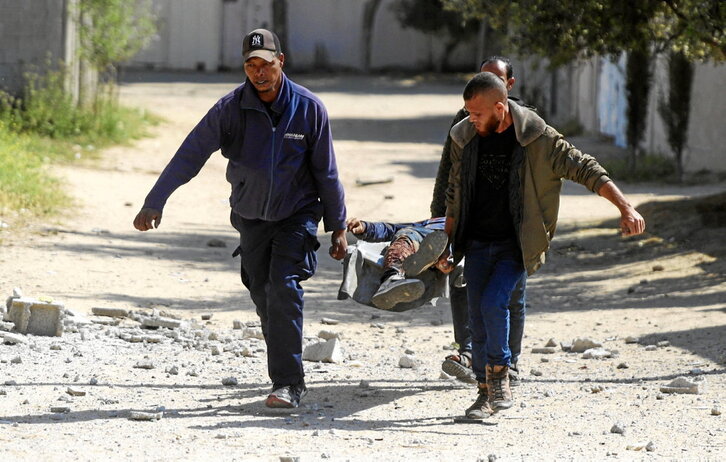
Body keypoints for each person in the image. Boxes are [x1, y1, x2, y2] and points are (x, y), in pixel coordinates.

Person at [132, 28, 348, 409]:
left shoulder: (309, 108)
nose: (258, 73)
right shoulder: (230, 108)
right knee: (261, 291)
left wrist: (338, 227)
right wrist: (156, 200)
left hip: (297, 212)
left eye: (265, 64)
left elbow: (327, 172)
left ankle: (288, 383)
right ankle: (284, 361)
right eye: (251, 65)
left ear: (280, 62)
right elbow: (191, 153)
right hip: (250, 217)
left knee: (284, 287)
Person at [441, 72, 645, 419]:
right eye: (467, 112)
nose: (469, 119)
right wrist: (444, 245)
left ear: (500, 107)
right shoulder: (464, 138)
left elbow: (587, 169)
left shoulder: (538, 139)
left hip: (516, 244)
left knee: (495, 303)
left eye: (476, 113)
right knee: (476, 317)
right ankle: (483, 395)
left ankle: (502, 374)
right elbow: (453, 195)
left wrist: (626, 207)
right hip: (475, 243)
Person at [430, 56, 527, 385]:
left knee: (511, 295)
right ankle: (471, 352)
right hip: (473, 224)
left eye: (494, 79)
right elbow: (449, 172)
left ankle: (509, 362)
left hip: (512, 230)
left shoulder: (525, 124)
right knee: (461, 283)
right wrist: (439, 216)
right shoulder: (464, 122)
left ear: (507, 87)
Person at [346, 217, 449, 310]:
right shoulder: (433, 222)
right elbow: (392, 229)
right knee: (406, 235)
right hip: (420, 240)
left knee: (413, 236)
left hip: (451, 246)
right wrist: (366, 227)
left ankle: (435, 259)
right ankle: (393, 279)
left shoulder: (462, 220)